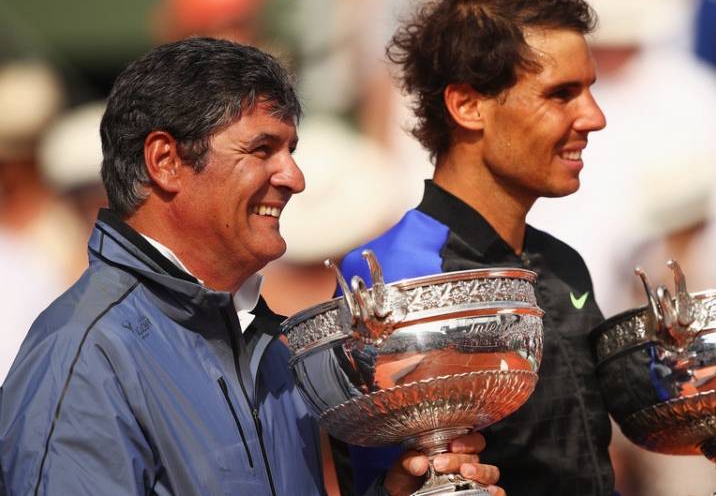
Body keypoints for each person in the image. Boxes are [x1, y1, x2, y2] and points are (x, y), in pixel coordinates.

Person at [0, 37, 501, 496]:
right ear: (165, 160)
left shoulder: (266, 347)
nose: (295, 177)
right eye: (262, 149)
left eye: (290, 150)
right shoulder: (84, 358)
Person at [335, 0, 614, 495]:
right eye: (562, 94)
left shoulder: (563, 266)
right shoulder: (393, 276)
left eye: (589, 90)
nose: (594, 116)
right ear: (467, 105)